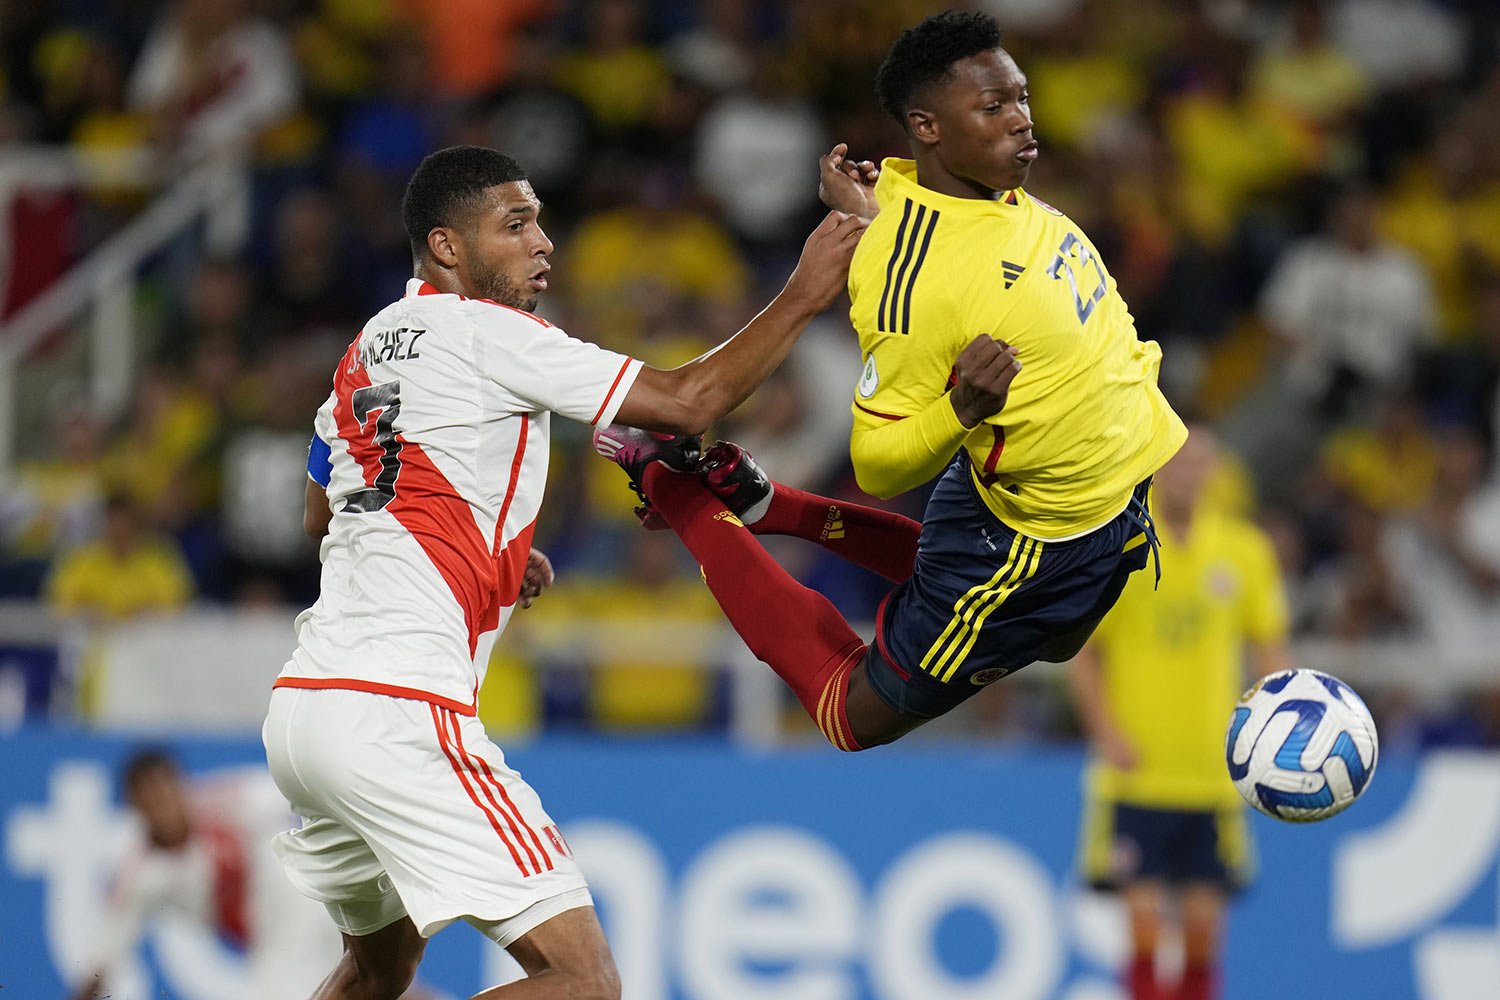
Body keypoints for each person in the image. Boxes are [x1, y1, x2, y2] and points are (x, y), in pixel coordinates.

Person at [264, 143, 864, 1000]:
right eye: (516, 225)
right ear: (447, 248)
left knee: (377, 968)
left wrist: (494, 550)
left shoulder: (367, 348)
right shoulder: (486, 330)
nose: (544, 242)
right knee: (583, 983)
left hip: (306, 709)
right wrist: (806, 292)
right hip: (398, 712)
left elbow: (330, 506)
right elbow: (690, 400)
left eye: (541, 220)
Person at [594, 9, 1185, 751]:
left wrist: (870, 211)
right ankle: (680, 493)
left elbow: (922, 214)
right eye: (994, 107)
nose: (1023, 122)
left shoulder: (979, 190)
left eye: (1022, 98)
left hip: (1103, 496)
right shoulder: (910, 277)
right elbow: (876, 464)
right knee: (851, 715)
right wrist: (960, 408)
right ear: (928, 126)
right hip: (1036, 538)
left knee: (1054, 639)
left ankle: (768, 503)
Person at [1069, 429, 1291, 1000]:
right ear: (1159, 470)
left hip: (1214, 772)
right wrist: (1105, 732)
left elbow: (1269, 650)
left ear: (1215, 473)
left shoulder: (1246, 552)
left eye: (1201, 464)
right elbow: (1085, 653)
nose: (1190, 474)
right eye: (1179, 462)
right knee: (1142, 926)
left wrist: (1280, 725)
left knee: (1201, 934)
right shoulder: (1123, 549)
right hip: (1137, 768)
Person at [66, 750, 349, 1000]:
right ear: (134, 806)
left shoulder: (223, 801)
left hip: (315, 902)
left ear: (181, 786)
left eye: (165, 790)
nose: (162, 805)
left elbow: (296, 801)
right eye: (149, 798)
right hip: (275, 941)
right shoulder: (140, 875)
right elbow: (104, 957)